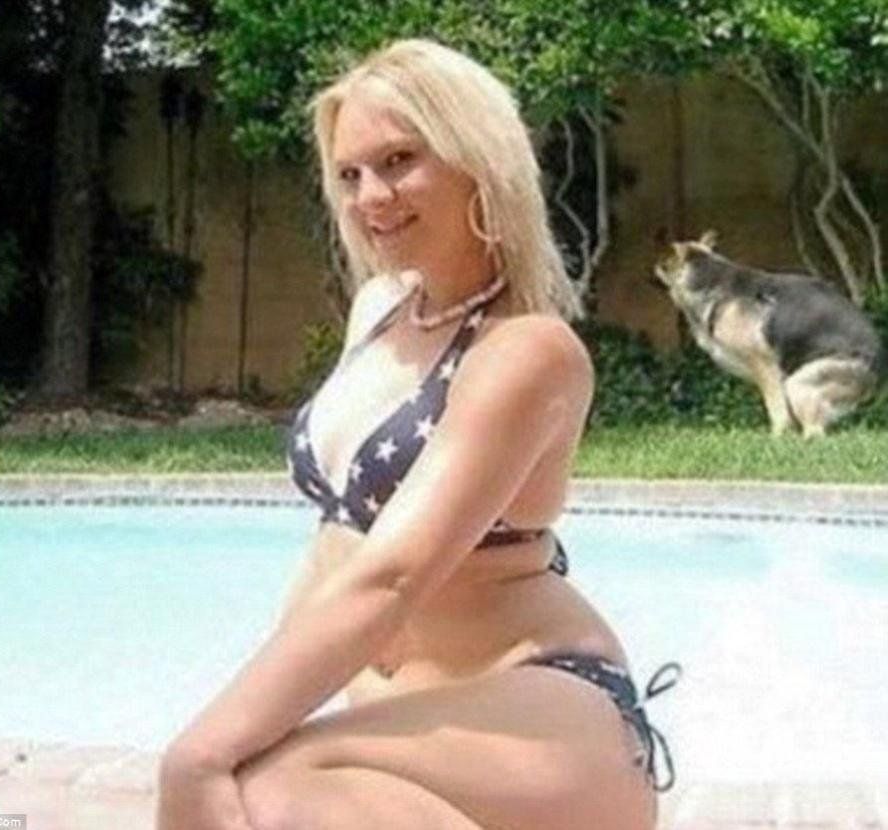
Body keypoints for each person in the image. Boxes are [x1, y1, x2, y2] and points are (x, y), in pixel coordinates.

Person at [157, 38, 678, 830]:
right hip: (410, 724)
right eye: (349, 174)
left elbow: (394, 575)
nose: (371, 196)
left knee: (259, 787)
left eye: (399, 160)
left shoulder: (528, 351)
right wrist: (245, 723)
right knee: (248, 781)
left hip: (538, 715)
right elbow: (336, 548)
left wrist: (198, 752)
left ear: (478, 159)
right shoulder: (380, 311)